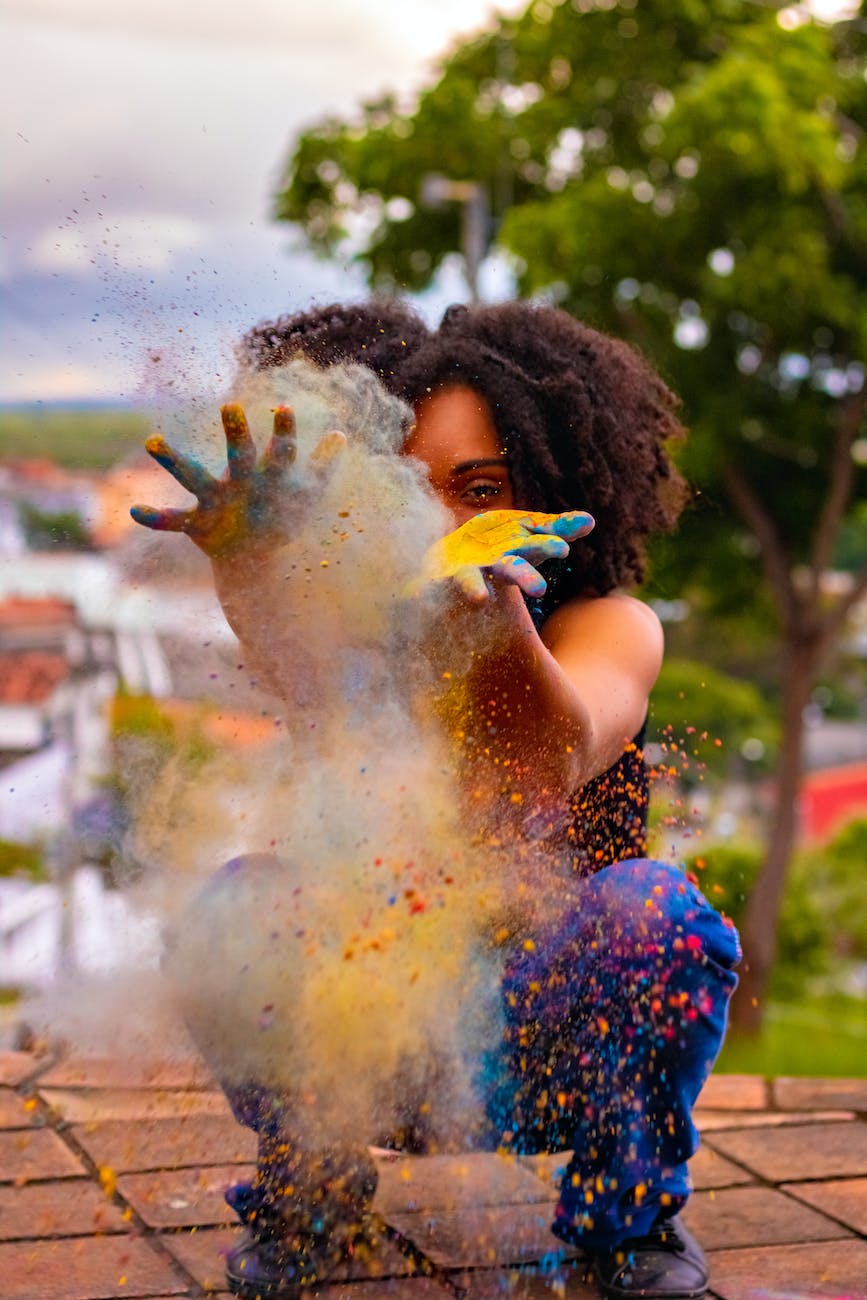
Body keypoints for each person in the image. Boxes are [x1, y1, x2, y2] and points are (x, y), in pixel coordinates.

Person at [132, 299, 740, 1300]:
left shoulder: (611, 624)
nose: (439, 519)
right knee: (238, 905)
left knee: (654, 911)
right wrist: (247, 567)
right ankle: (312, 1190)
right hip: (371, 1048)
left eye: (481, 488)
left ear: (549, 488)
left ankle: (627, 1217)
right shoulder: (351, 635)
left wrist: (493, 617)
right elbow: (286, 658)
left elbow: (545, 763)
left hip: (554, 1056)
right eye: (405, 486)